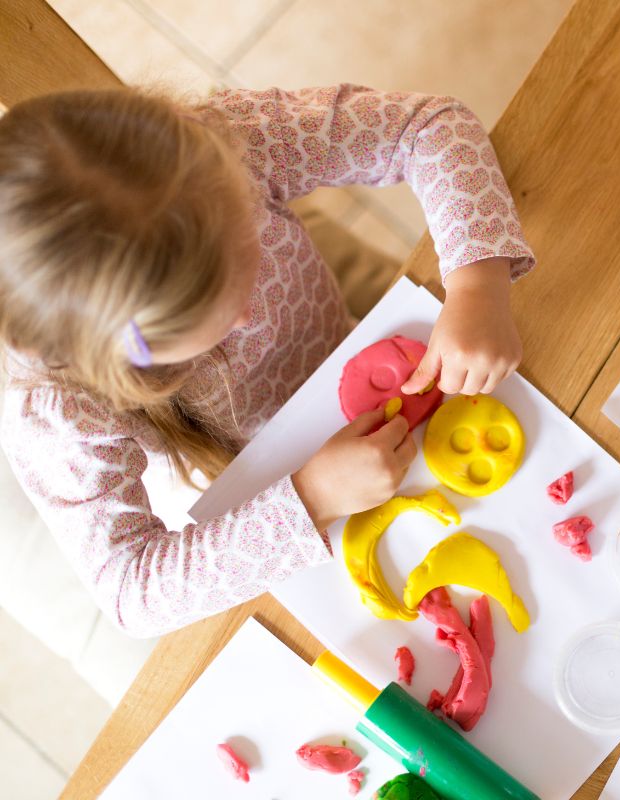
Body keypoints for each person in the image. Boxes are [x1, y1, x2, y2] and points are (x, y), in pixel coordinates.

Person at [0, 85, 535, 637]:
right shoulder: (57, 412)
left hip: (347, 341)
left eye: (247, 260)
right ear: (128, 354)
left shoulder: (232, 140)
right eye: (218, 314)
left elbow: (428, 123)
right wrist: (312, 498)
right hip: (254, 472)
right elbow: (130, 593)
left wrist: (477, 283)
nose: (246, 315)